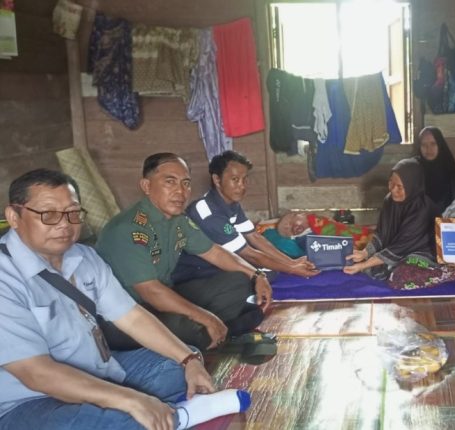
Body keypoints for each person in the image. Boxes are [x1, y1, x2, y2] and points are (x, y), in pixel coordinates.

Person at [0, 169, 216, 430]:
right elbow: (36, 373)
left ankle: (164, 414)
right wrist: (131, 400)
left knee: (181, 370)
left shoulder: (84, 257)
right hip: (31, 400)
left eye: (72, 212)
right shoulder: (5, 276)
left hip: (98, 370)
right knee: (126, 422)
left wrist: (188, 360)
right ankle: (163, 415)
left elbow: (132, 317)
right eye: (48, 214)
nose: (64, 224)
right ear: (14, 216)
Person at [97, 153, 273, 353]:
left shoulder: (178, 220)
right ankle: (213, 330)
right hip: (125, 316)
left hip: (164, 298)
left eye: (186, 183)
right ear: (146, 186)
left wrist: (257, 275)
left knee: (240, 281)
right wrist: (205, 316)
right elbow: (152, 292)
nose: (181, 191)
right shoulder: (127, 228)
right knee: (187, 327)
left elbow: (215, 252)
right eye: (170, 182)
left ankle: (212, 332)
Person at [172, 150, 319, 282]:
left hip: (220, 263)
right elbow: (248, 253)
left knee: (268, 271)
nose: (242, 186)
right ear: (217, 180)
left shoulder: (231, 204)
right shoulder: (207, 213)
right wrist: (291, 268)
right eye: (235, 179)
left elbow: (254, 237)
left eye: (245, 179)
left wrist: (291, 262)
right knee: (253, 277)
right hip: (196, 273)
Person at [344, 158, 437, 280]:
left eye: (399, 187)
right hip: (396, 251)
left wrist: (364, 265)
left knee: (406, 270)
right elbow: (381, 234)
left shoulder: (421, 209)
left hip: (421, 253)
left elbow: (401, 246)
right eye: (391, 183)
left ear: (412, 186)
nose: (393, 190)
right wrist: (365, 253)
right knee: (373, 267)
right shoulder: (390, 200)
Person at [414, 126, 455, 215]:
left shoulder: (452, 174)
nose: (428, 148)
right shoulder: (414, 170)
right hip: (418, 221)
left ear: (440, 145)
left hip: (446, 221)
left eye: (433, 144)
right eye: (424, 145)